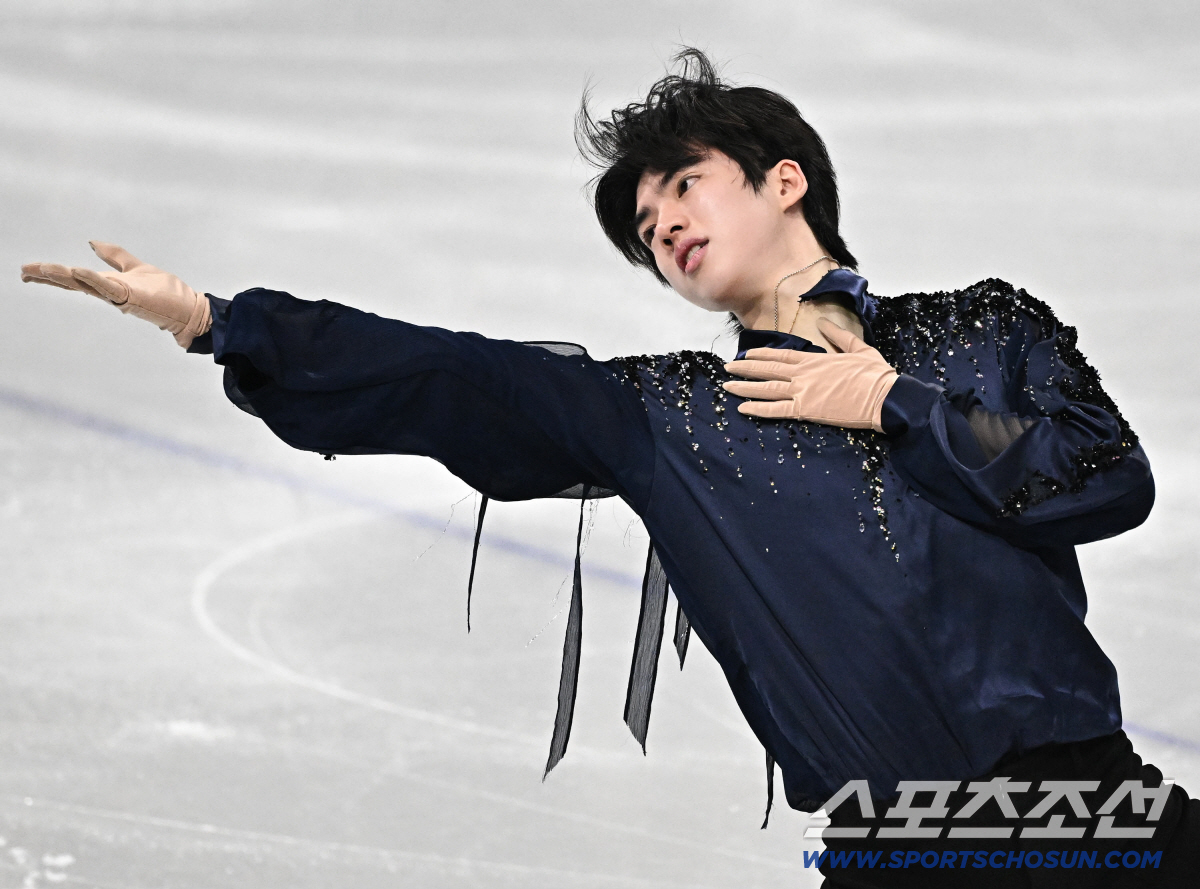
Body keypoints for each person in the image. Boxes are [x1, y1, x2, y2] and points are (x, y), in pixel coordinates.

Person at [20, 49, 1197, 886]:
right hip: (906, 847)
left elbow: (1104, 473)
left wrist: (894, 401)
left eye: (683, 184)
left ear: (784, 178)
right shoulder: (668, 416)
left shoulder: (982, 329)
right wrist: (222, 321)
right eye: (644, 228)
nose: (663, 226)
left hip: (1102, 815)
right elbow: (455, 376)